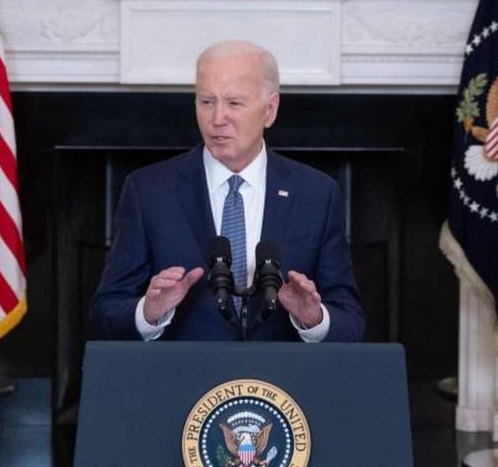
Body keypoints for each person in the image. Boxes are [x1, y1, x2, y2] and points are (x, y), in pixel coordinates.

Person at [90, 40, 364, 342]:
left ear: (270, 109)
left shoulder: (317, 194)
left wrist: (314, 318)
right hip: (184, 383)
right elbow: (105, 313)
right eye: (207, 102)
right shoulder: (148, 191)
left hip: (281, 384)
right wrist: (148, 312)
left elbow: (350, 322)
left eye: (234, 103)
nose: (217, 118)